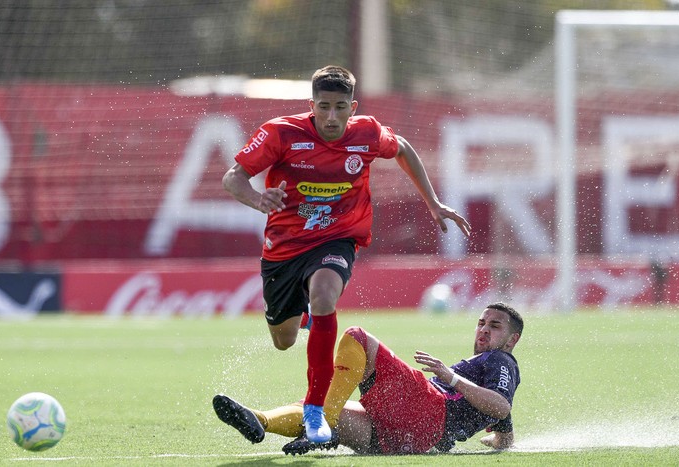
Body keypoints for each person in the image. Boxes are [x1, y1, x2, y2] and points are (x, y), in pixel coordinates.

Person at [221, 65, 472, 444]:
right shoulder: (281, 133)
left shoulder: (366, 134)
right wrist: (258, 199)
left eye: (341, 107)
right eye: (324, 107)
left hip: (337, 240)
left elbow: (401, 148)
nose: (332, 117)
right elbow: (232, 177)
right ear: (312, 105)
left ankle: (315, 408)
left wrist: (433, 202)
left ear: (352, 107)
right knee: (284, 339)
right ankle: (303, 317)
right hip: (285, 248)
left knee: (325, 297)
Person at [213, 302, 522, 455]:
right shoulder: (489, 377)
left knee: (357, 337)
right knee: (316, 408)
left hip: (429, 411)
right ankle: (261, 420)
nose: (483, 329)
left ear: (512, 339)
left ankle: (321, 424)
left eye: (494, 326)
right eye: (481, 322)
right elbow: (503, 425)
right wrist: (496, 439)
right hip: (411, 440)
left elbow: (501, 406)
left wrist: (450, 377)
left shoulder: (500, 359)